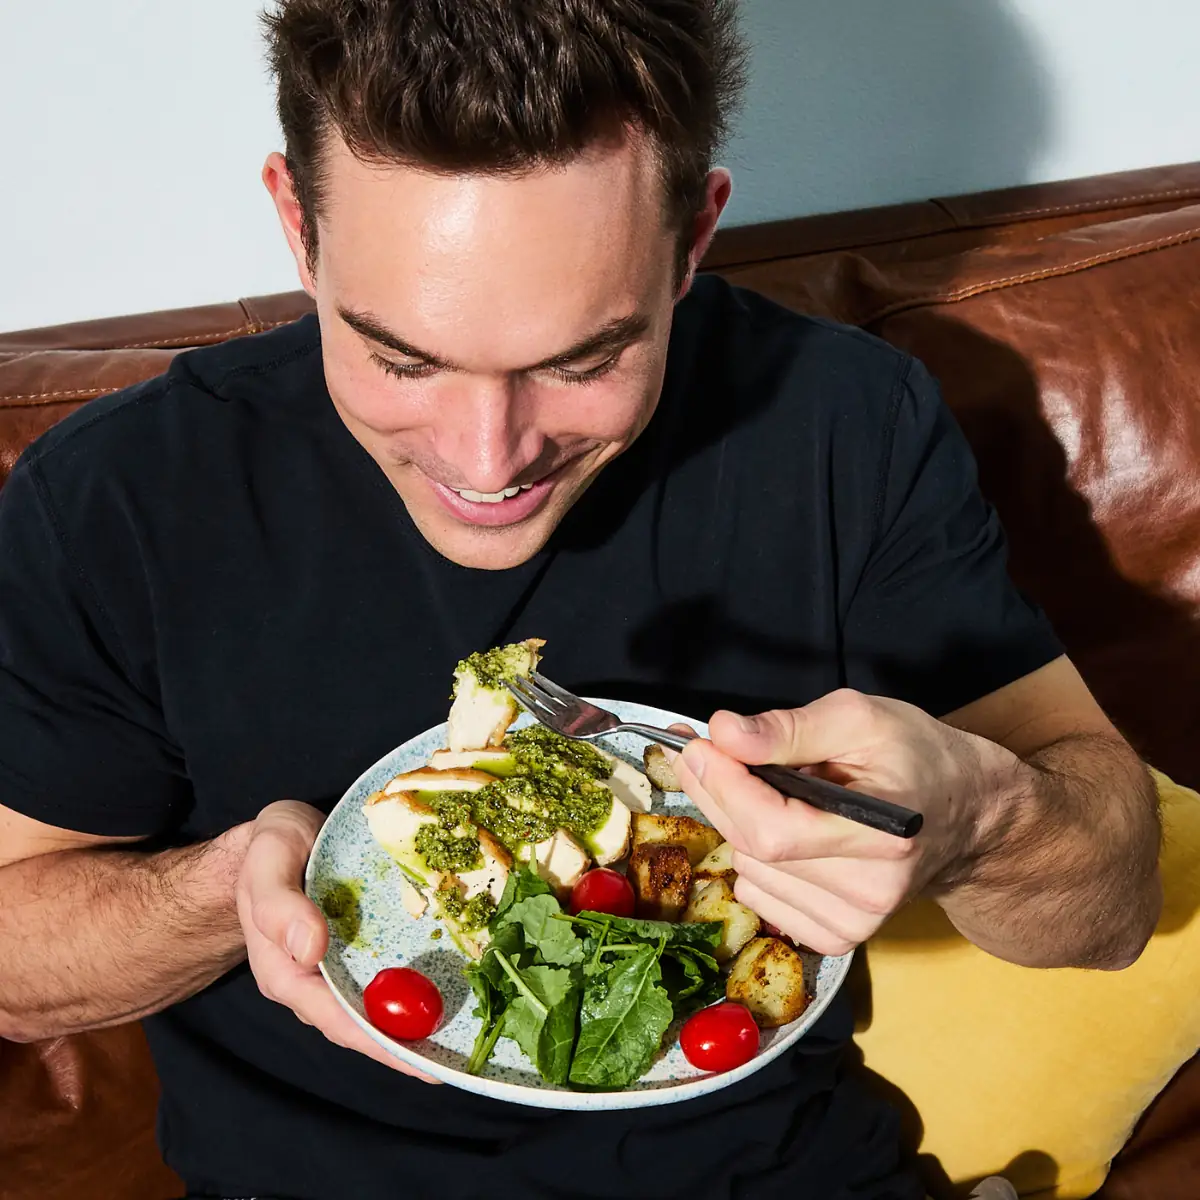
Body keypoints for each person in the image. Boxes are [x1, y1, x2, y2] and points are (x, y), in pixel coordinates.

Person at [0, 2, 1161, 1199]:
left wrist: (981, 820)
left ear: (691, 240)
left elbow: (1113, 910)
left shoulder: (847, 427)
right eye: (402, 358)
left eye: (582, 360)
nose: (488, 459)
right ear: (299, 225)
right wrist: (227, 885)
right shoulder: (118, 497)